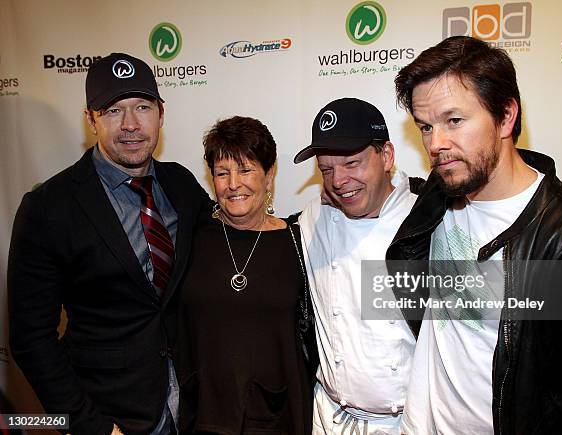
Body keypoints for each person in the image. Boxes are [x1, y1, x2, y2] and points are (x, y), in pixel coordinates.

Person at [388, 36, 562, 434]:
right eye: (426, 126)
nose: (436, 144)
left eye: (454, 120)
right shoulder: (443, 191)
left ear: (506, 116)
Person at [8, 52, 213, 435]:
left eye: (142, 107)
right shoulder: (47, 208)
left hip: (193, 408)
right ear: (91, 119)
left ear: (161, 113)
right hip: (112, 416)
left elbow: (228, 245)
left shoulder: (181, 185)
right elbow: (31, 339)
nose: (131, 125)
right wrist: (90, 426)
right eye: (114, 111)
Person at [177, 116, 316, 434]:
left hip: (281, 417)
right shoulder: (191, 236)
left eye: (246, 170)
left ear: (269, 175)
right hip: (204, 417)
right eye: (222, 173)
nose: (233, 184)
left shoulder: (298, 240)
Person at [294, 98, 422, 434]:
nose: (338, 181)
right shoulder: (313, 219)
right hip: (328, 416)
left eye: (352, 163)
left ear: (387, 156)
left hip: (402, 423)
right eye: (326, 169)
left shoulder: (427, 224)